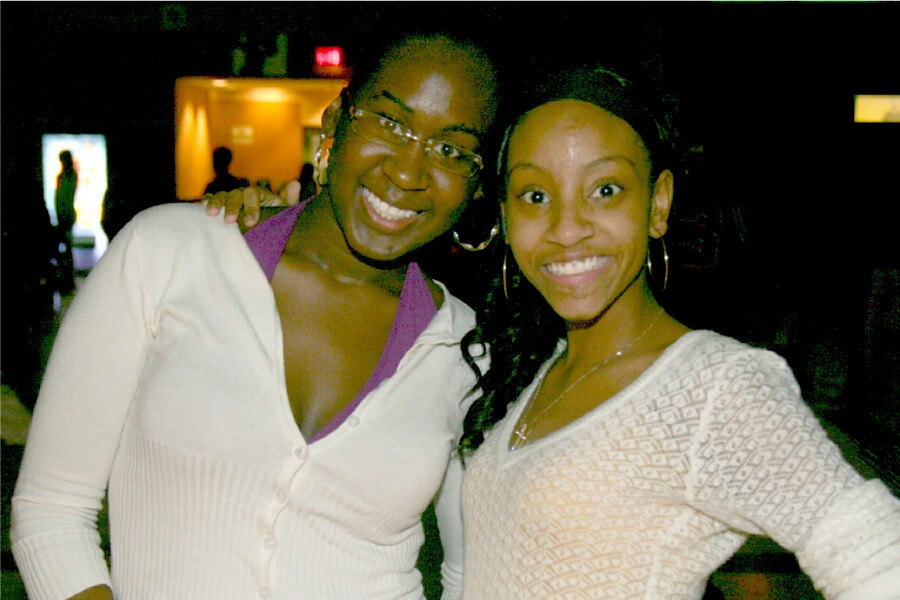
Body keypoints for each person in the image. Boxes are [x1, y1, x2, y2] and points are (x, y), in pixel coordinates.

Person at [11, 31, 501, 599]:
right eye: (390, 123)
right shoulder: (167, 254)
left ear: (475, 185)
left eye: (451, 151)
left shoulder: (468, 352)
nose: (409, 172)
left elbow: (471, 578)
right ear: (336, 120)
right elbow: (52, 513)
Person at [455, 64, 900, 598]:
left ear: (658, 203)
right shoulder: (537, 369)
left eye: (605, 189)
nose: (567, 228)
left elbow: (878, 561)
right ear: (504, 215)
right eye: (535, 196)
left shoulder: (712, 387)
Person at [54, 149, 78, 294]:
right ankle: (65, 276)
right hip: (63, 214)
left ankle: (67, 276)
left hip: (66, 214)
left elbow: (65, 196)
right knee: (65, 247)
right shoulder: (63, 176)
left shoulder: (68, 176)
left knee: (66, 247)